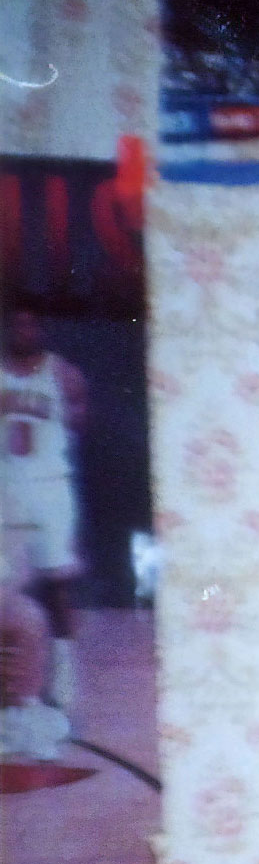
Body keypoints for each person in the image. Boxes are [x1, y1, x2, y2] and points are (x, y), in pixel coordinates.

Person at [1, 307, 87, 730]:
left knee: (57, 584)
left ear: (42, 329)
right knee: (4, 589)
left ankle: (63, 677)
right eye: (16, 323)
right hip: (5, 487)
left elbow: (80, 423)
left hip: (50, 487)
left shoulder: (63, 373)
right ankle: (12, 689)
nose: (24, 330)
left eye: (31, 323)